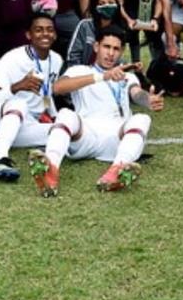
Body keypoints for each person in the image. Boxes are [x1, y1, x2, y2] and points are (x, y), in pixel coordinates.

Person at [28, 26, 164, 196]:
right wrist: (102, 76)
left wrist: (148, 100)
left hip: (116, 140)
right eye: (106, 47)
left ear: (121, 51)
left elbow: (137, 94)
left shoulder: (127, 76)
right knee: (65, 115)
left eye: (116, 49)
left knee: (142, 118)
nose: (111, 53)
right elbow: (57, 88)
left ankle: (117, 171)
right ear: (96, 47)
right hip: (86, 136)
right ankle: (51, 169)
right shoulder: (79, 71)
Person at [0, 13, 63, 181]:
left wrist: (54, 116)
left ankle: (44, 161)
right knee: (19, 104)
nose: (45, 34)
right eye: (39, 30)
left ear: (55, 35)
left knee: (62, 130)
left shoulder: (56, 60)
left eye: (49, 30)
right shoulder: (12, 58)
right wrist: (17, 86)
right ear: (29, 35)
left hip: (27, 124)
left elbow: (46, 94)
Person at [67, 0, 127, 67]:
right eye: (102, 3)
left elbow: (119, 58)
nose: (107, 6)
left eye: (110, 2)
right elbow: (73, 55)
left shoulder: (121, 30)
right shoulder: (85, 26)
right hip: (81, 74)